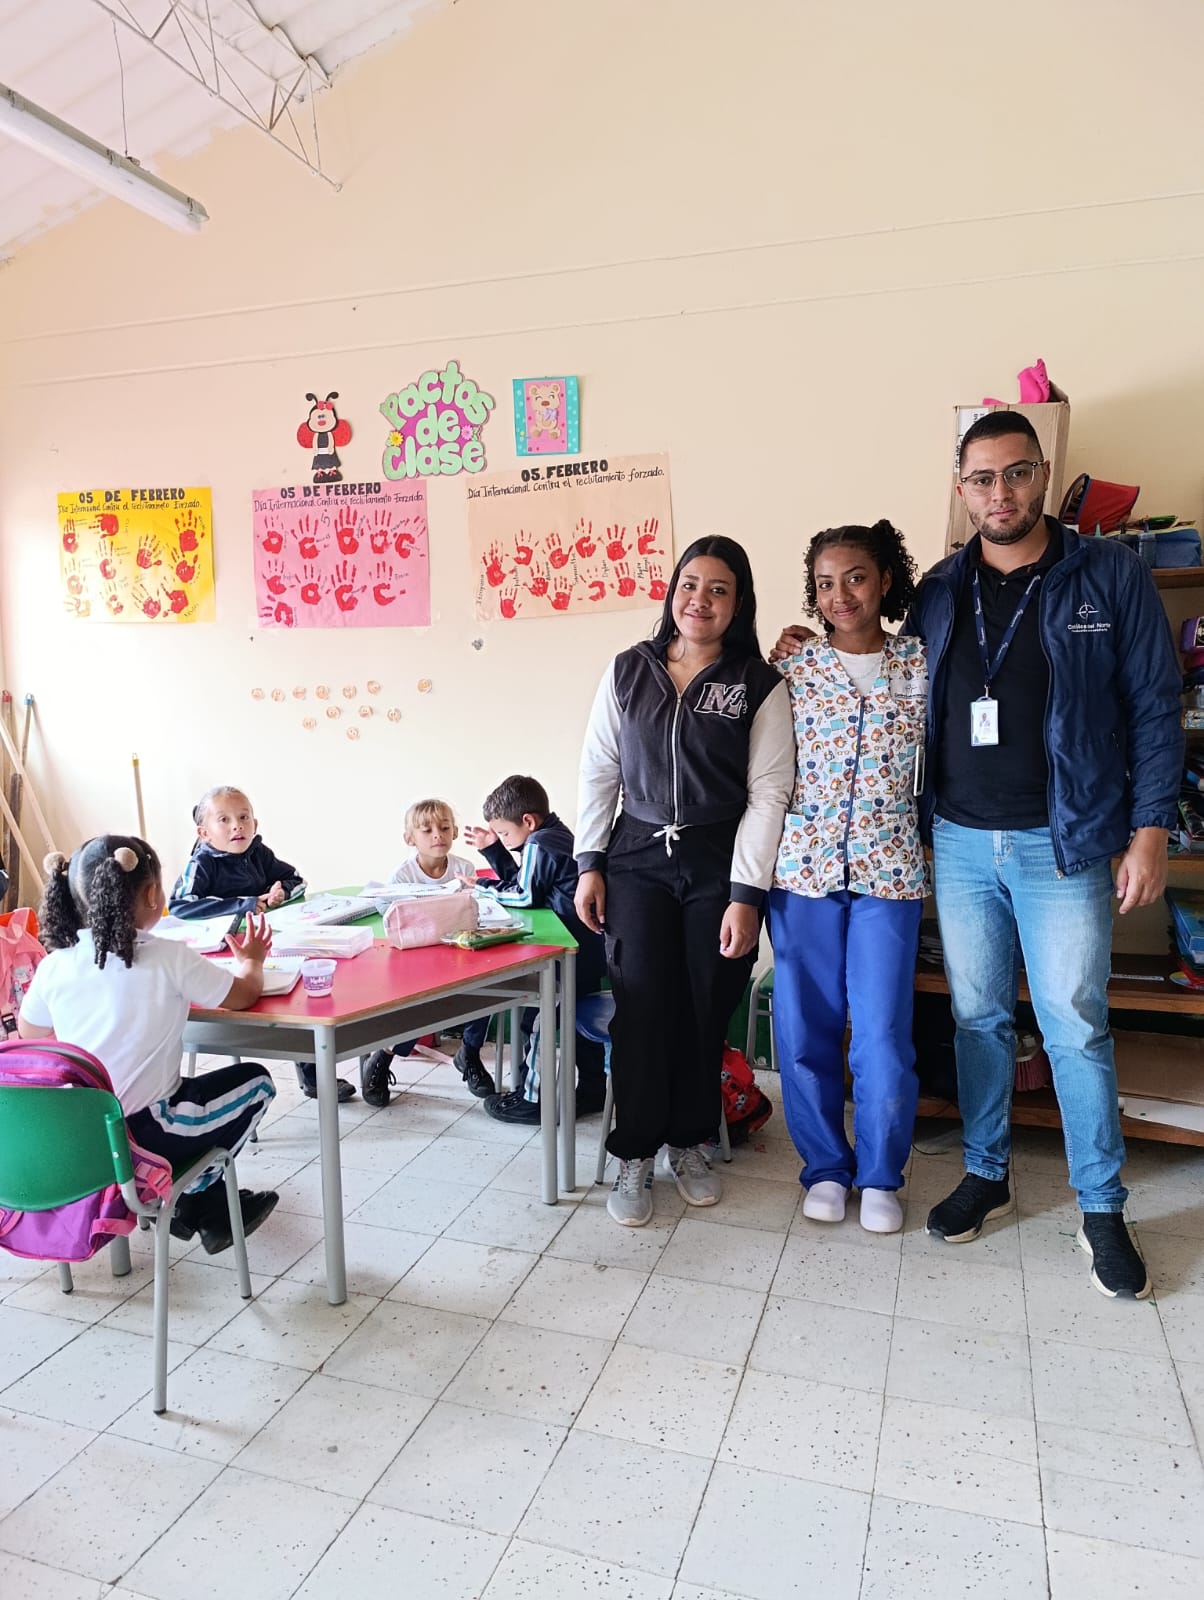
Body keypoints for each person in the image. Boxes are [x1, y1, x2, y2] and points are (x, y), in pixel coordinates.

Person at [775, 412, 1182, 1299]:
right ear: (962, 490)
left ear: (1043, 476)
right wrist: (806, 647)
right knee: (978, 1019)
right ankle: (986, 1171)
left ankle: (1101, 1206)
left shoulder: (1107, 573)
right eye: (982, 478)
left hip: (1065, 842)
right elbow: (879, 662)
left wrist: (1151, 829)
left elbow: (1155, 704)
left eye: (1016, 473)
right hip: (957, 842)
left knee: (1075, 1024)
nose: (1001, 493)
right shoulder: (941, 589)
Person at [575, 536, 794, 1227]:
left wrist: (746, 895)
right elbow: (599, 770)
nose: (700, 600)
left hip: (717, 862)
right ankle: (635, 1151)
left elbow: (769, 793)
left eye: (718, 589)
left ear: (739, 603)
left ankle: (691, 1141)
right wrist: (589, 861)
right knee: (641, 1008)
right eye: (690, 584)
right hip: (636, 857)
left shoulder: (758, 683)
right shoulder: (628, 671)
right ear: (673, 592)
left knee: (705, 1008)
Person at [770, 521, 926, 1234]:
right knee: (806, 1025)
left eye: (856, 577)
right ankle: (826, 1168)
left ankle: (882, 1173)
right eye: (826, 583)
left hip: (888, 872)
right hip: (802, 870)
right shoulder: (793, 670)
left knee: (883, 1033)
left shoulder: (921, 664)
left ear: (885, 580)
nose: (841, 595)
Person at [18, 836, 279, 1256]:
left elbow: (31, 1033)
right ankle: (194, 1196)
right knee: (258, 1083)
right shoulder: (168, 957)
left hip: (83, 1141)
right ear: (154, 894)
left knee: (185, 1094)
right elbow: (244, 995)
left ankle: (201, 1207)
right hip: (150, 1134)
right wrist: (252, 961)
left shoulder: (55, 965)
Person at [170, 786, 355, 1103]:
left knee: (298, 994)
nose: (237, 826)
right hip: (225, 956)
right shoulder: (202, 863)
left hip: (267, 946)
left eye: (244, 817)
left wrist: (281, 892)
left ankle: (314, 1074)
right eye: (224, 820)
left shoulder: (258, 853)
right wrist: (244, 903)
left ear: (255, 823)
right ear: (204, 833)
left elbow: (296, 879)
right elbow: (180, 905)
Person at [464, 775, 608, 1125]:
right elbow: (528, 882)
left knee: (538, 1021)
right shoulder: (555, 835)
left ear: (528, 821)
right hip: (587, 952)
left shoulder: (541, 843)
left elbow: (524, 895)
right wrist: (493, 849)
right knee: (578, 1023)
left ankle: (533, 1100)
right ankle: (593, 1090)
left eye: (504, 833)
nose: (504, 839)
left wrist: (482, 886)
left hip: (567, 955)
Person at [359, 798, 493, 1107]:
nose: (437, 835)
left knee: (487, 988)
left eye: (444, 828)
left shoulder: (463, 869)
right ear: (410, 838)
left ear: (454, 832)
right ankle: (384, 1056)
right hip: (415, 958)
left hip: (456, 952)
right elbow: (391, 919)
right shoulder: (402, 875)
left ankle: (469, 1054)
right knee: (417, 1005)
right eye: (427, 830)